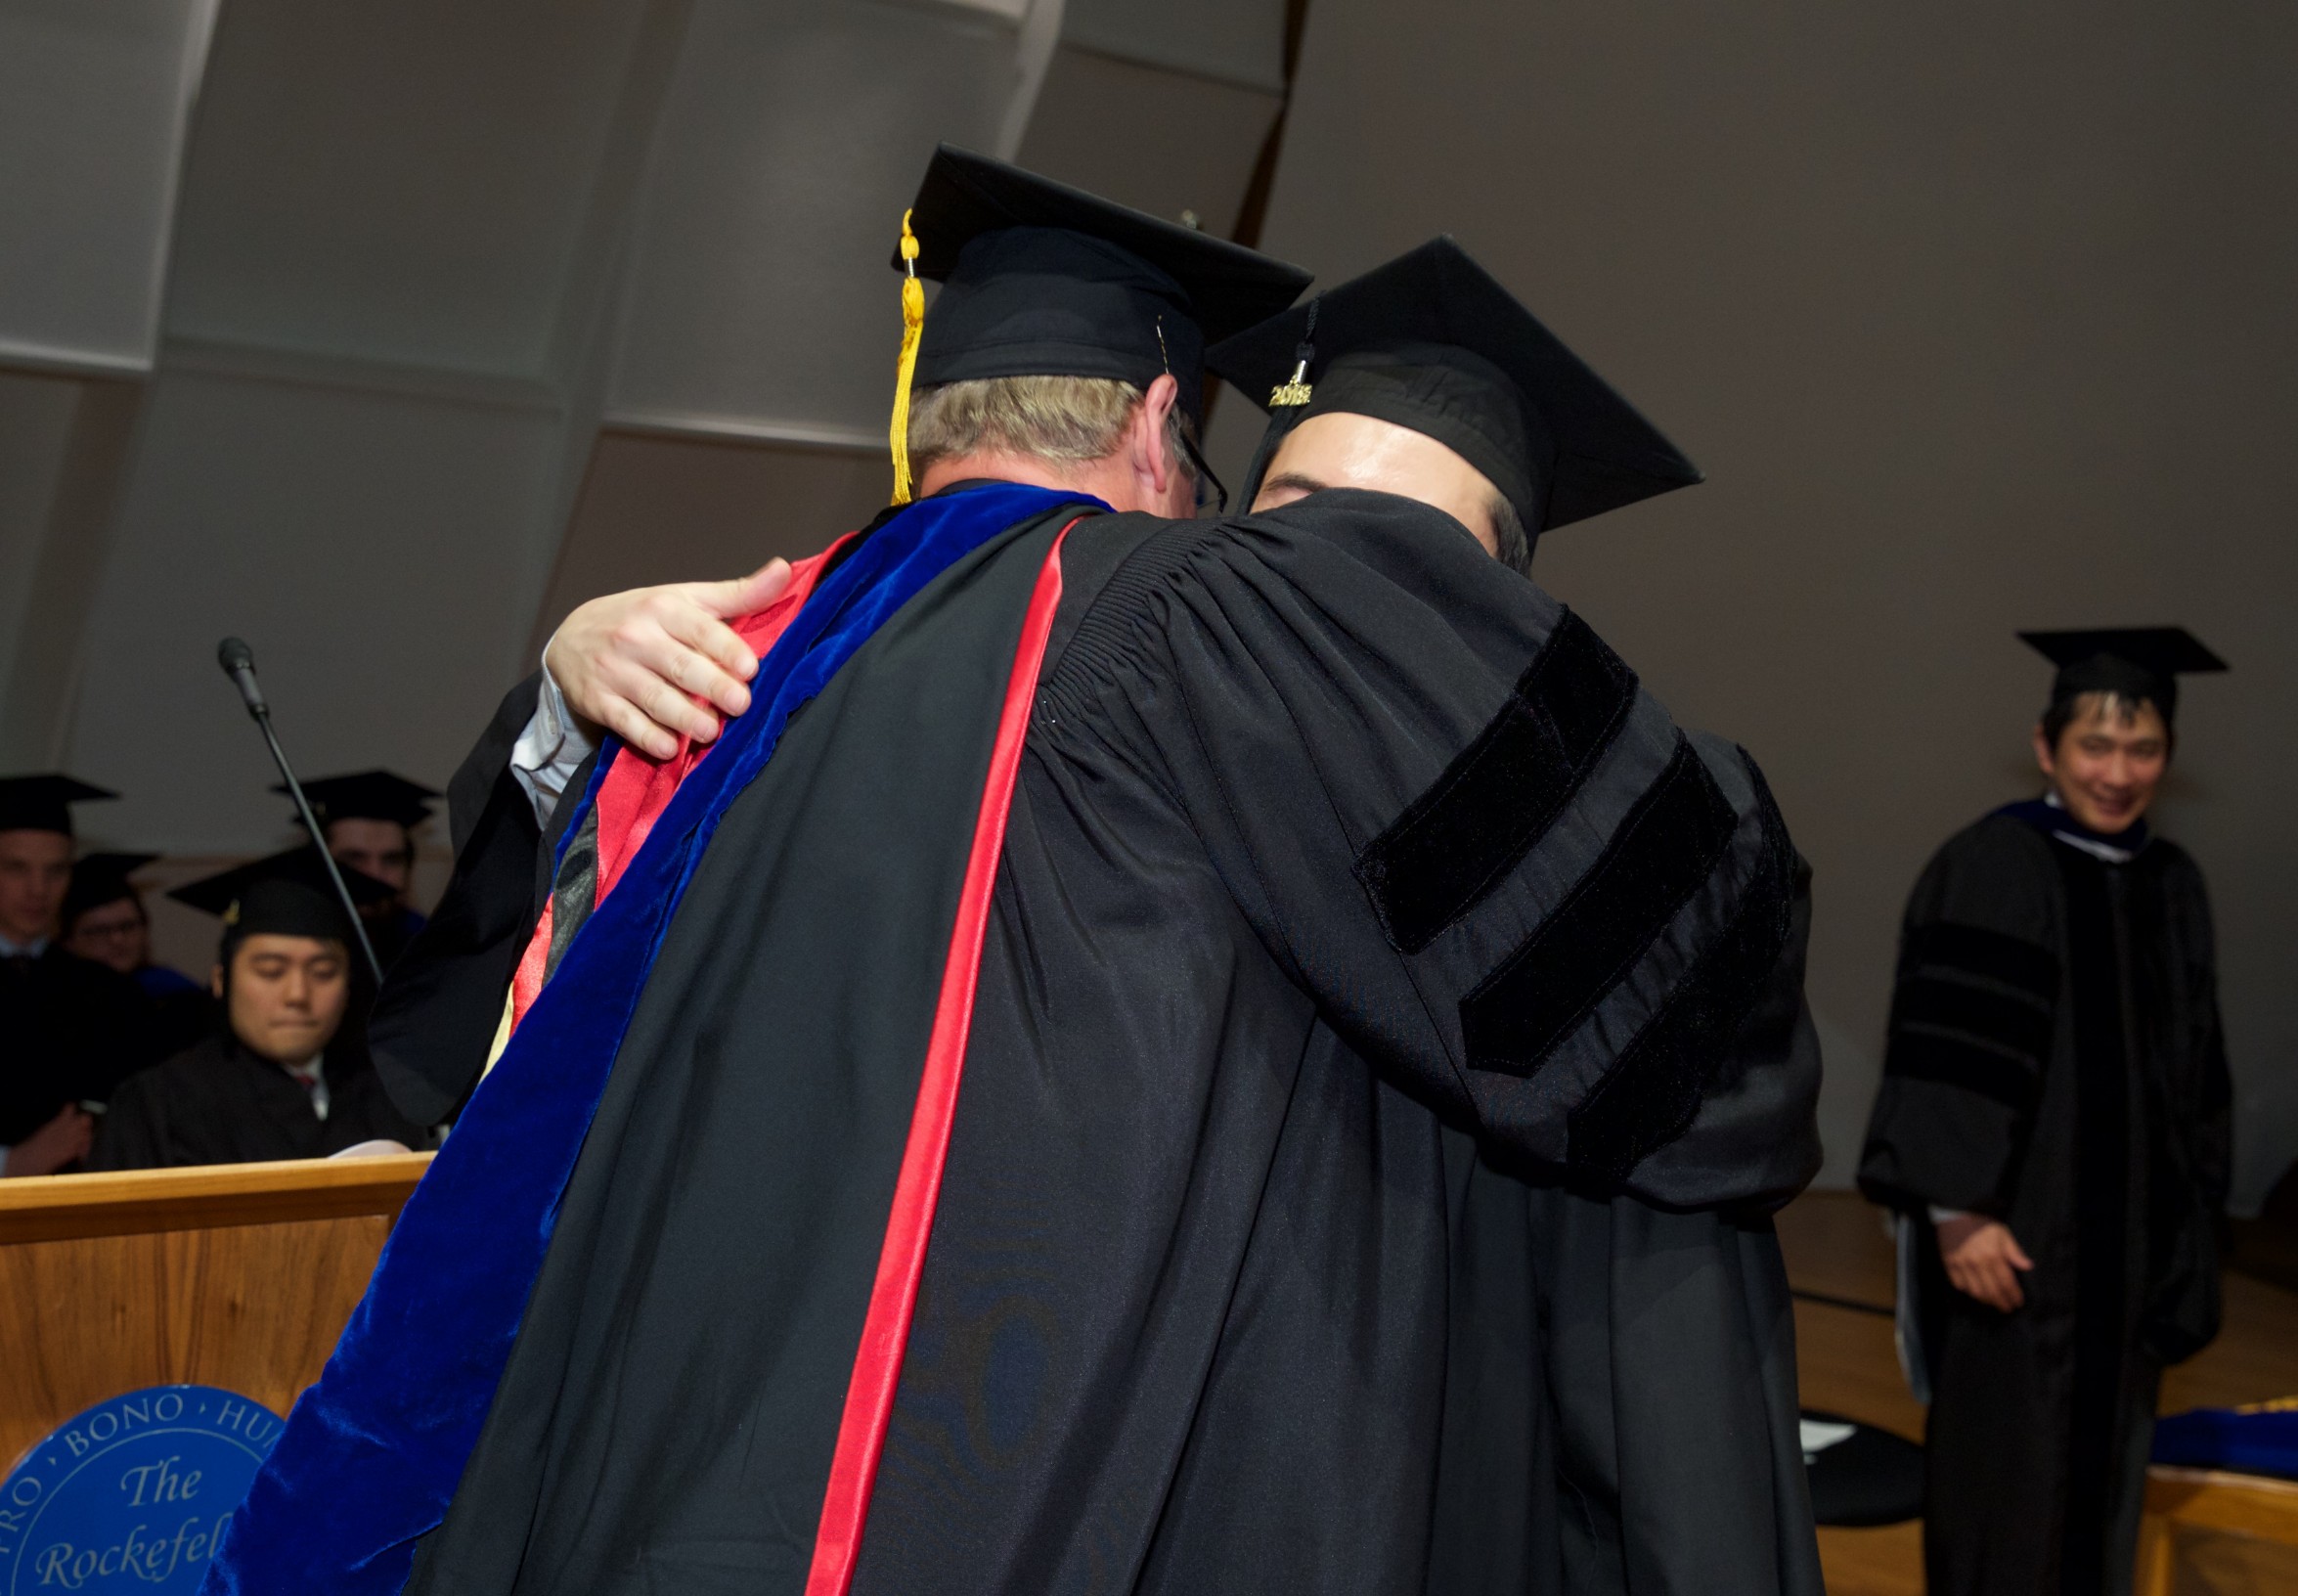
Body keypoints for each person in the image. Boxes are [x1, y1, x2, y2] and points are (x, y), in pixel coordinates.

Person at [218, 151, 1806, 1596]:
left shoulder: (750, 648)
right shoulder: (1199, 624)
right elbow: (1689, 984)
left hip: (662, 1463)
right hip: (1015, 1454)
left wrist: (566, 677)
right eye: (1288, 515)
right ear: (1158, 428)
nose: (1340, 579)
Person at [1212, 237, 1825, 1592]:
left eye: (1409, 546)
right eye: (1297, 516)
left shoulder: (1611, 947)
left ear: (1501, 606)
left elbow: (1673, 1468)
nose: (1331, 582)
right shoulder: (1124, 798)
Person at [1858, 628, 2234, 1596]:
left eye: (2143, 749)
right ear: (2046, 747)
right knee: (2008, 1478)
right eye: (2095, 746)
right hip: (2017, 1251)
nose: (2118, 773)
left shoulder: (2171, 885)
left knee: (2105, 1489)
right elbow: (1947, 1047)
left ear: (2168, 756)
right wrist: (1955, 1210)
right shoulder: (1996, 863)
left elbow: (2198, 1075)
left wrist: (2190, 1229)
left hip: (2128, 1261)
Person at [89, 850, 426, 1170]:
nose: (297, 994)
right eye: (271, 971)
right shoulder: (158, 1104)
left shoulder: (389, 1095)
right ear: (221, 981)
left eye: (323, 972)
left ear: (349, 985)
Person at [0, 775, 151, 1177]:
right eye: (16, 868)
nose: (38, 889)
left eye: (56, 871)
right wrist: (10, 1163)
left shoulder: (107, 991)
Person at [282, 769, 438, 970]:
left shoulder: (432, 948)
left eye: (391, 860)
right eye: (354, 858)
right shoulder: (284, 944)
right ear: (318, 865)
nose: (374, 874)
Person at [59, 852, 213, 1055]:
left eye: (128, 926)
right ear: (67, 941)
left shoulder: (176, 994)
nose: (117, 939)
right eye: (99, 931)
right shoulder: (57, 1007)